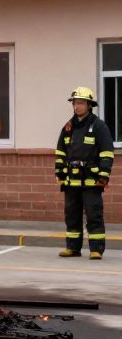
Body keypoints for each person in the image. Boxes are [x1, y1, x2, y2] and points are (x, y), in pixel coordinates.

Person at [55, 86, 114, 259]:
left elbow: (107, 153)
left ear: (89, 105)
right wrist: (60, 172)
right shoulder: (68, 127)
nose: (77, 106)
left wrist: (103, 175)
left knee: (93, 214)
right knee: (71, 215)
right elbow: (60, 152)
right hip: (71, 181)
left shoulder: (99, 126)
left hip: (91, 181)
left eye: (81, 103)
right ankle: (73, 248)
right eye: (75, 103)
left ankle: (96, 249)